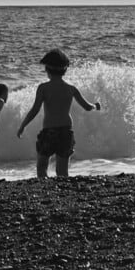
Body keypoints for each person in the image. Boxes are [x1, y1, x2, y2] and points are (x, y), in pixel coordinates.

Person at [17, 49, 100, 178]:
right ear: (64, 70)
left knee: (42, 167)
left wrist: (23, 125)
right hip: (66, 132)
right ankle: (64, 193)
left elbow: (35, 110)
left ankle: (45, 190)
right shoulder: (71, 89)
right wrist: (96, 105)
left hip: (49, 131)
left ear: (47, 69)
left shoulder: (43, 88)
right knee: (62, 171)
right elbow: (87, 107)